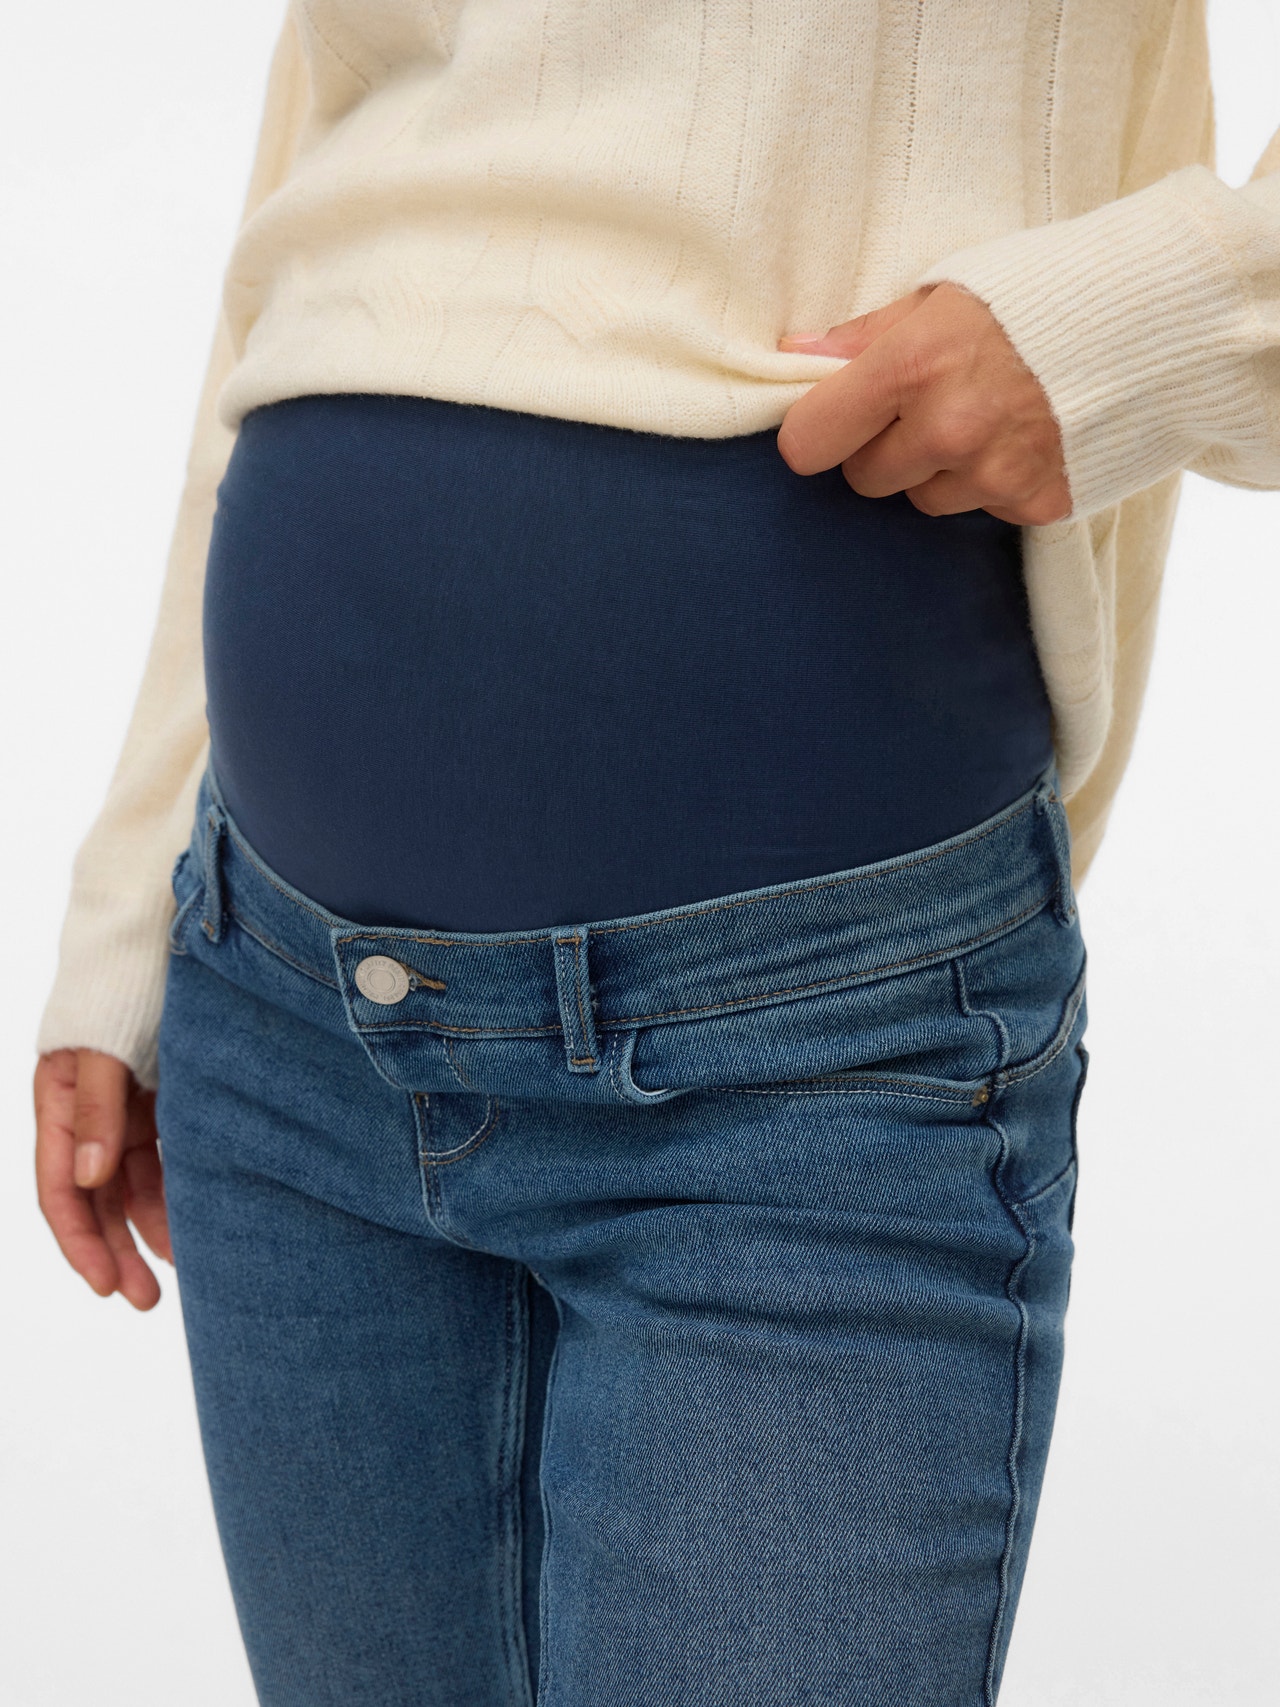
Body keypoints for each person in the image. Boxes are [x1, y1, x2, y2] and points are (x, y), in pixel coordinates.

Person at [29, 4, 1280, 1703]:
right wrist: (126, 919)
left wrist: (1182, 308)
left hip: (815, 1076)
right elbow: (310, 237)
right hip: (284, 1031)